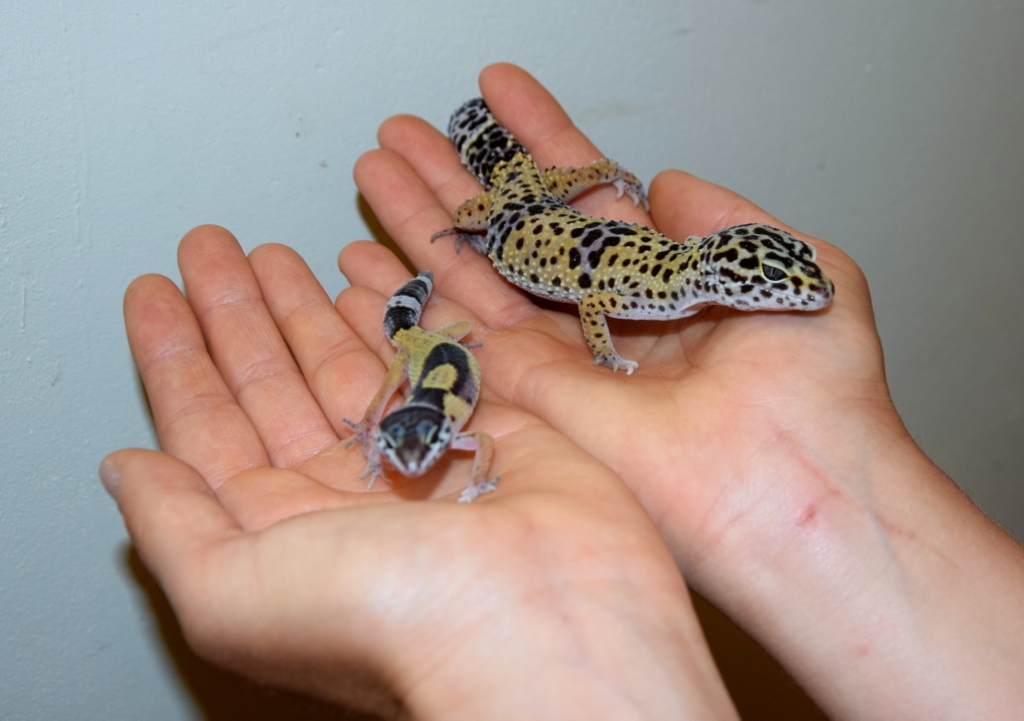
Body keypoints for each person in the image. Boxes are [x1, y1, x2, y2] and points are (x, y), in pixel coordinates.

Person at [100, 63, 1024, 720]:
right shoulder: (660, 279)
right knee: (505, 194)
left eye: (784, 283)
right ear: (730, 274)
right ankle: (493, 167)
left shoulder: (682, 274)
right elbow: (590, 292)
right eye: (781, 281)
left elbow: (602, 282)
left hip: (550, 223)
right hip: (518, 233)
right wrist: (599, 348)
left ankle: (520, 168)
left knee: (544, 187)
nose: (798, 294)